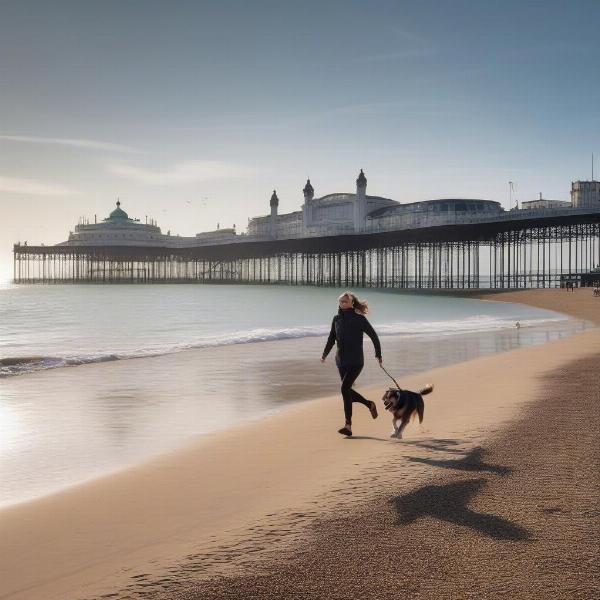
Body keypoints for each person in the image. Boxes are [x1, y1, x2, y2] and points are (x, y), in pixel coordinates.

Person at [321, 291, 382, 436]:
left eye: (345, 301)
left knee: (344, 389)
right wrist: (324, 354)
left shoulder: (359, 319)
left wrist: (378, 353)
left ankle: (348, 425)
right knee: (347, 391)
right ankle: (369, 404)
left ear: (352, 303)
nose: (342, 304)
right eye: (340, 301)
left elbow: (374, 336)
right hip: (341, 361)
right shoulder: (336, 319)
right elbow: (331, 339)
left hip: (356, 361)